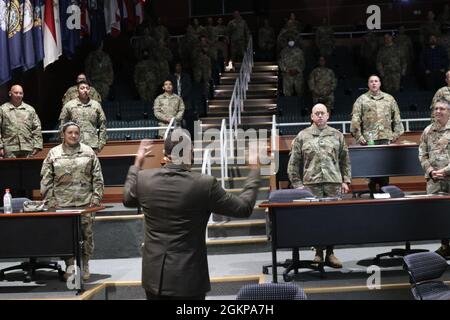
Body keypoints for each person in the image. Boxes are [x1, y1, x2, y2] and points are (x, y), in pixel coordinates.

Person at [123, 129, 260, 299]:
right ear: (191, 154)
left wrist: (137, 163)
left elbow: (128, 200)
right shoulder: (204, 184)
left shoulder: (143, 179)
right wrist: (254, 169)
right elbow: (244, 208)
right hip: (188, 279)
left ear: (165, 154)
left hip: (154, 279)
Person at [287, 103, 351, 268]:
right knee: (314, 220)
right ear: (312, 116)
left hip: (333, 183)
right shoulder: (302, 136)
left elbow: (345, 160)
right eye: (317, 113)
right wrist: (297, 185)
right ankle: (318, 253)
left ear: (328, 115)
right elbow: (293, 163)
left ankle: (330, 253)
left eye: (323, 113)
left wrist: (345, 180)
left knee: (333, 219)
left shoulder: (337, 135)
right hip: (311, 185)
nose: (320, 116)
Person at [40, 122, 104, 280]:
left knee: (86, 235)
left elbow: (98, 177)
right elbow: (45, 180)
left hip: (85, 203)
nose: (74, 135)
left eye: (76, 132)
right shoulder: (54, 153)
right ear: (63, 134)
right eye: (70, 132)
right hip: (62, 204)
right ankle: (70, 265)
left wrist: (96, 198)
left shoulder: (88, 152)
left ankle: (85, 264)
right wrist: (50, 201)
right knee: (65, 236)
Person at [350, 75, 404, 195]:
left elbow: (397, 119)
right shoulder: (361, 100)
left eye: (376, 81)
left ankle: (385, 195)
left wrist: (394, 136)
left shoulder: (389, 99)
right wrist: (359, 137)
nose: (374, 83)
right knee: (372, 172)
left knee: (385, 171)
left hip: (385, 140)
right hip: (369, 141)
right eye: (371, 81)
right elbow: (355, 121)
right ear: (368, 84)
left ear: (380, 83)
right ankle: (372, 195)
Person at [418, 99, 450, 257]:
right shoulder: (427, 131)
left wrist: (446, 170)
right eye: (436, 108)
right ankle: (445, 246)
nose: (438, 111)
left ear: (448, 111)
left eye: (442, 109)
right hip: (434, 180)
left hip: (449, 177)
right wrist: (430, 171)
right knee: (439, 215)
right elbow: (422, 154)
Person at [59, 81, 107, 153]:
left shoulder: (96, 105)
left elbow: (103, 124)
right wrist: (64, 142)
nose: (85, 90)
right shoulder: (69, 105)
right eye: (82, 88)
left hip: (92, 146)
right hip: (74, 145)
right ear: (77, 90)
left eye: (87, 88)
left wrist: (101, 144)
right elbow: (62, 125)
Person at [0, 84, 42, 159]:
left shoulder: (30, 110)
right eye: (16, 93)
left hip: (28, 147)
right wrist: (0, 147)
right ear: (10, 93)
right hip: (9, 148)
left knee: (28, 170)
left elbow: (37, 128)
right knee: (11, 170)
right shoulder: (2, 110)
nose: (18, 95)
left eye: (20, 93)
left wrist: (37, 145)